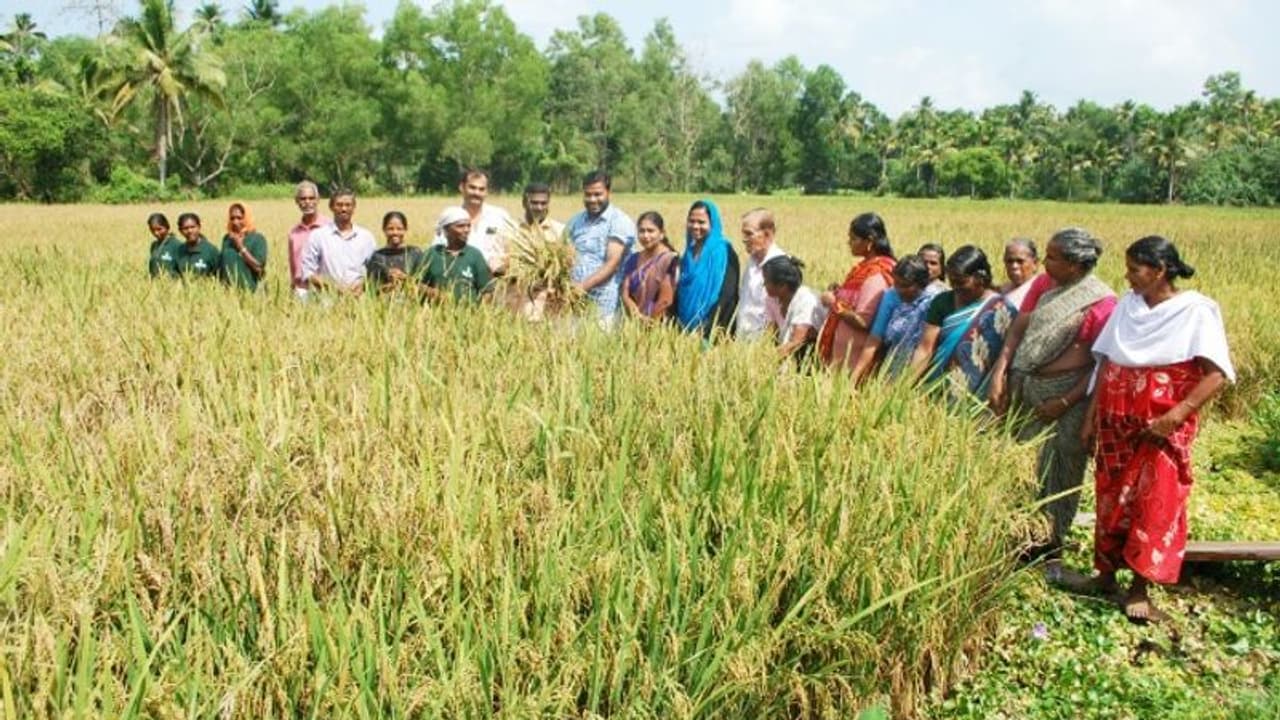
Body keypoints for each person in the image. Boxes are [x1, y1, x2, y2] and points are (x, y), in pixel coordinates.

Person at [1077, 236, 1234, 623]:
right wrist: (1089, 418)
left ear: (1160, 271)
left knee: (1154, 500)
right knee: (1111, 497)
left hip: (1160, 428)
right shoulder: (1128, 307)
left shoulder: (1195, 311)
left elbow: (1216, 376)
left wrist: (1173, 417)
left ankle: (1140, 587)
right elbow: (1107, 364)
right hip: (1115, 424)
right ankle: (1106, 574)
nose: (1127, 277)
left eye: (1135, 269)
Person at [988, 228, 1116, 572]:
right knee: (1027, 470)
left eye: (1053, 257)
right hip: (1029, 395)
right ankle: (1021, 542)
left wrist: (1064, 401)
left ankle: (1050, 551)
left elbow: (1100, 364)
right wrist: (1002, 370)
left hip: (1067, 403)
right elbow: (1019, 328)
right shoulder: (1047, 289)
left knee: (1060, 474)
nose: (1045, 262)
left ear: (1075, 265)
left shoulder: (1100, 302)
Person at [911, 245, 1018, 400]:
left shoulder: (1001, 309)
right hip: (935, 386)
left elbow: (1006, 355)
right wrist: (906, 384)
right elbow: (925, 348)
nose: (956, 288)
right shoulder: (942, 302)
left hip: (979, 393)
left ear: (980, 278)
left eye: (961, 283)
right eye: (952, 282)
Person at [818, 212, 896, 372]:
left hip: (855, 358)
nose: (849, 243)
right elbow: (855, 299)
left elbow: (863, 321)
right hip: (844, 354)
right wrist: (839, 292)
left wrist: (833, 303)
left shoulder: (877, 273)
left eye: (853, 239)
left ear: (869, 241)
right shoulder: (864, 267)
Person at [851, 255, 943, 383]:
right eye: (896, 284)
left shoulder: (935, 300)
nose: (899, 290)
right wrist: (855, 376)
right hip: (893, 367)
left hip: (924, 370)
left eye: (905, 286)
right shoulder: (891, 295)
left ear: (921, 284)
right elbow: (874, 339)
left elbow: (926, 348)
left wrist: (905, 384)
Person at [565, 170, 635, 328]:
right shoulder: (575, 222)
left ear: (608, 192)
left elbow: (612, 264)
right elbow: (564, 255)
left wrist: (581, 288)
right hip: (574, 306)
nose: (592, 199)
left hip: (604, 307)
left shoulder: (618, 221)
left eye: (598, 194)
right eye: (588, 195)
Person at [674, 199, 739, 337]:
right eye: (691, 221)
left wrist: (708, 327)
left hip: (712, 328)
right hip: (684, 326)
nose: (695, 226)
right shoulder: (689, 253)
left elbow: (727, 294)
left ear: (712, 223)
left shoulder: (723, 251)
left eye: (701, 222)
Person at [433, 168, 513, 275]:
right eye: (472, 188)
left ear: (487, 191)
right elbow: (438, 250)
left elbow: (514, 250)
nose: (477, 193)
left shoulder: (500, 217)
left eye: (481, 189)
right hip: (461, 278)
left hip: (496, 279)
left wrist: (502, 263)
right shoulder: (449, 218)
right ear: (462, 187)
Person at [300, 188, 376, 295]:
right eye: (339, 205)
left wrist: (360, 287)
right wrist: (332, 288)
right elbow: (308, 272)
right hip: (327, 299)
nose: (344, 209)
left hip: (360, 299)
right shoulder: (318, 236)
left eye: (348, 205)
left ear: (354, 208)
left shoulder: (366, 237)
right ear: (331, 207)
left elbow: (374, 271)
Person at [762, 255, 826, 364]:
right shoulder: (782, 299)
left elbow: (796, 342)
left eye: (767, 281)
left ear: (782, 285)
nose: (764, 285)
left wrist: (764, 362)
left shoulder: (806, 301)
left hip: (811, 358)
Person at [422, 207, 493, 302]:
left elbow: (487, 291)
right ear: (446, 230)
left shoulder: (475, 255)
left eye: (468, 226)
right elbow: (417, 285)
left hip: (468, 314)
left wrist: (477, 312)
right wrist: (435, 295)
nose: (466, 230)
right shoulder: (432, 254)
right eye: (460, 226)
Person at [736, 208, 787, 341]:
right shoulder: (752, 261)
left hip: (764, 345)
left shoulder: (781, 267)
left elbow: (781, 314)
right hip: (743, 340)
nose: (744, 240)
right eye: (743, 234)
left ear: (767, 234)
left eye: (749, 234)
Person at [621, 211, 678, 321]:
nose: (646, 236)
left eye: (651, 231)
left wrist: (650, 320)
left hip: (659, 324)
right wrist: (637, 315)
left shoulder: (669, 260)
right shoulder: (633, 259)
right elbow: (625, 292)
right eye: (641, 231)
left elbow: (666, 300)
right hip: (634, 322)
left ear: (662, 233)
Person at [365, 211, 425, 294]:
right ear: (384, 230)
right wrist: (391, 285)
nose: (395, 232)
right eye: (390, 229)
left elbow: (425, 285)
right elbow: (370, 289)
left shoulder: (415, 253)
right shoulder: (377, 257)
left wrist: (405, 278)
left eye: (399, 229)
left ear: (405, 229)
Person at [288, 180, 330, 296]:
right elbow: (293, 266)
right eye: (303, 199)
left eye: (311, 198)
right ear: (297, 201)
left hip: (324, 290)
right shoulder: (294, 232)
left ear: (318, 200)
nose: (307, 202)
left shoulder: (329, 228)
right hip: (300, 290)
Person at [218, 202, 268, 291]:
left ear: (247, 218)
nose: (235, 222)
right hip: (228, 292)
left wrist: (240, 247)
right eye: (232, 218)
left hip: (250, 291)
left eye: (239, 218)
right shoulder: (227, 239)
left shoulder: (257, 239)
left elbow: (258, 268)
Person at [157, 212, 221, 278]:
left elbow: (219, 276)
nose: (190, 231)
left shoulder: (211, 251)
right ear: (180, 231)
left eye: (193, 227)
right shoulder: (179, 250)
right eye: (185, 228)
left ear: (199, 227)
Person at [999, 237, 1041, 309]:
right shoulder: (1002, 290)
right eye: (1010, 261)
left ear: (1035, 263)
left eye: (1020, 261)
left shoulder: (1040, 292)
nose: (1014, 266)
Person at [146, 213, 181, 278]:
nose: (156, 233)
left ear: (167, 227)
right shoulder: (154, 245)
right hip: (156, 286)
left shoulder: (177, 245)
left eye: (159, 229)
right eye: (152, 230)